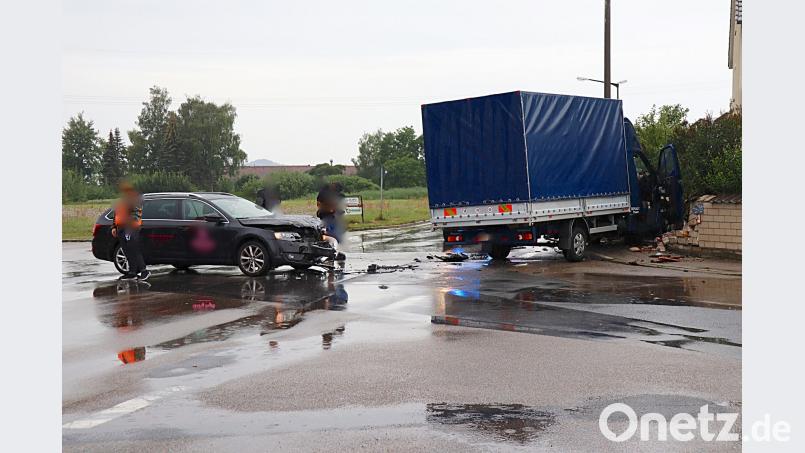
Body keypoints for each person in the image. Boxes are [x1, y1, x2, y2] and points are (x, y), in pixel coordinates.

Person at [112, 181, 150, 280]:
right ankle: (132, 272)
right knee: (126, 250)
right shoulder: (122, 201)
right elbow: (116, 215)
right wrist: (113, 227)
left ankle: (144, 271)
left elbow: (134, 215)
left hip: (130, 228)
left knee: (133, 249)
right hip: (120, 228)